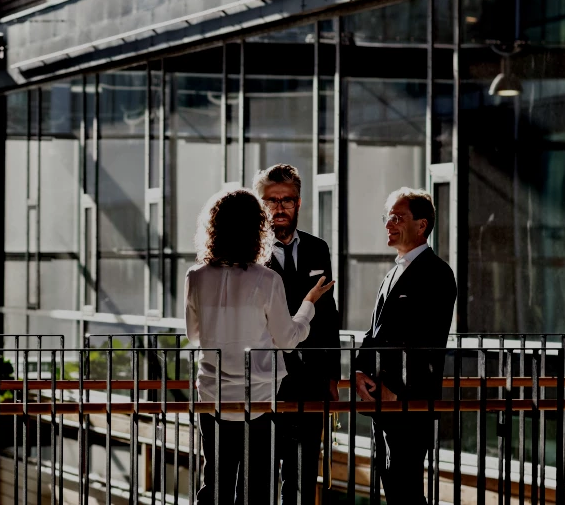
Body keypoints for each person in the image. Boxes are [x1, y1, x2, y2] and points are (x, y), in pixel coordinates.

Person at [185, 188, 335, 505]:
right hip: (259, 397)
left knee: (215, 481)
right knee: (257, 486)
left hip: (213, 394)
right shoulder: (266, 279)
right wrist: (308, 305)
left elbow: (194, 335)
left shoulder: (196, 276)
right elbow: (287, 339)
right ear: (257, 229)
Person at [353, 187, 457, 505]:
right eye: (388, 218)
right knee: (394, 487)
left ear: (422, 225)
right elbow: (374, 332)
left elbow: (429, 342)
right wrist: (359, 370)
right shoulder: (391, 274)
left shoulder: (437, 274)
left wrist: (399, 393)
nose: (389, 225)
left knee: (406, 490)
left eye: (398, 218)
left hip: (409, 404)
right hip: (382, 403)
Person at [251, 164, 341, 505]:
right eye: (271, 200)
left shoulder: (319, 249)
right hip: (266, 377)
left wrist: (333, 375)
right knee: (261, 473)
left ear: (299, 203)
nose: (279, 207)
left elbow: (329, 314)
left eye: (286, 199)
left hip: (312, 379)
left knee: (303, 476)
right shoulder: (251, 256)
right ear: (261, 205)